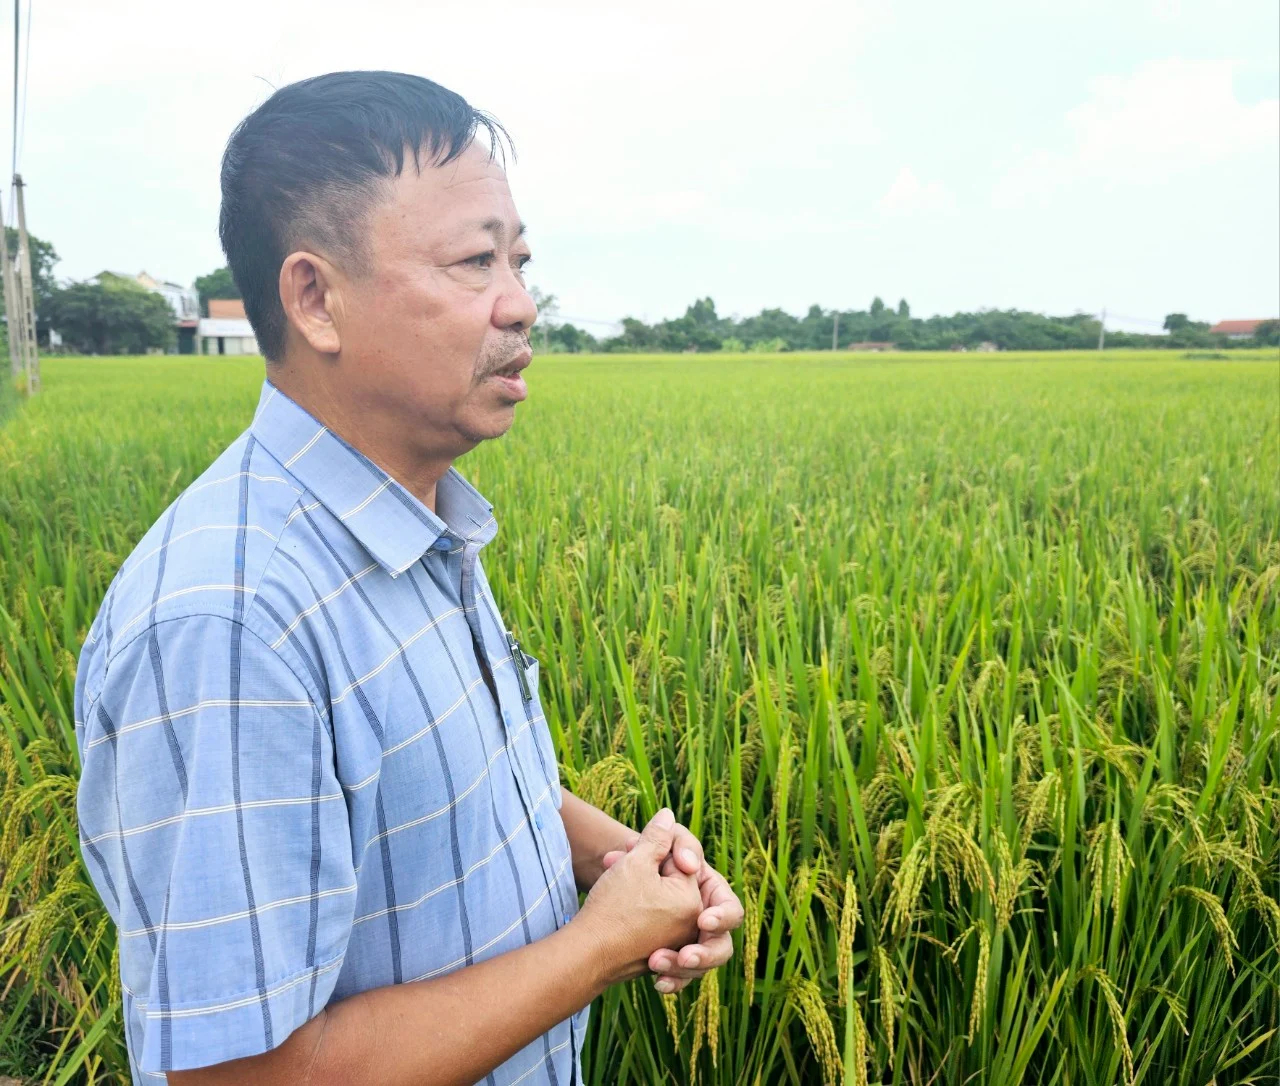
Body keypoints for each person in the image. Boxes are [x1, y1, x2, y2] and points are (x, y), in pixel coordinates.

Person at [73, 71, 743, 1086]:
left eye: (518, 260)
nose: (520, 304)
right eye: (474, 260)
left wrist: (628, 864)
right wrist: (596, 947)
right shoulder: (231, 624)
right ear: (315, 299)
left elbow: (441, 782)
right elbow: (240, 1078)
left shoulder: (419, 519)